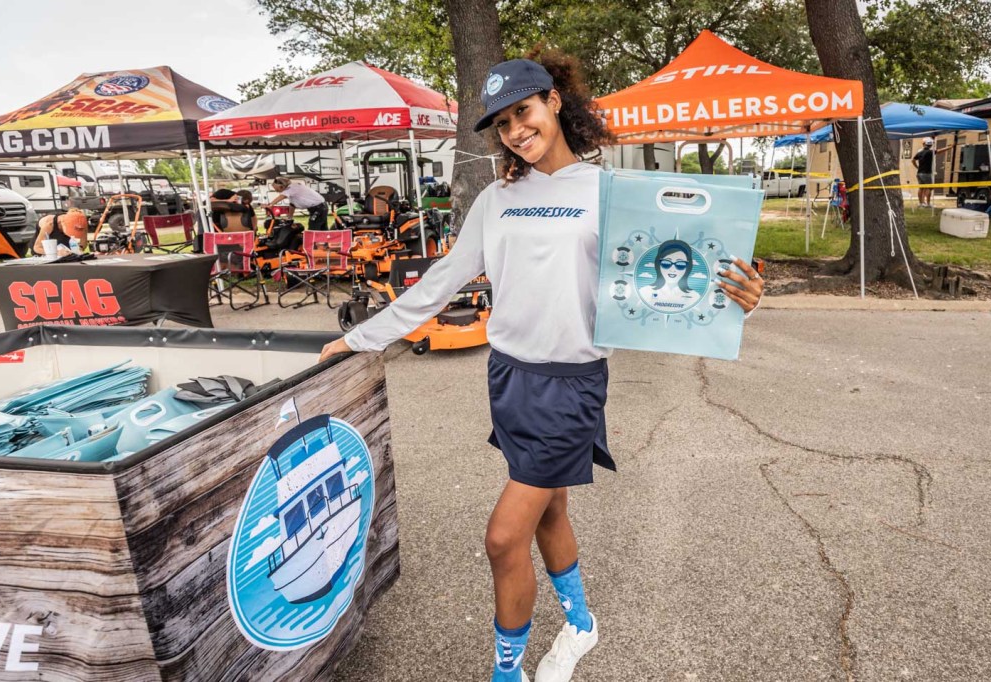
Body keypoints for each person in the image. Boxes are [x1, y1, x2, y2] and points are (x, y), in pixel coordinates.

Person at [318, 51, 765, 682]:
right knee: (549, 509)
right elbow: (443, 280)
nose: (515, 130)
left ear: (554, 101)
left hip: (571, 384)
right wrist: (363, 338)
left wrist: (734, 297)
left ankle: (508, 674)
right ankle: (580, 623)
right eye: (501, 123)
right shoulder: (498, 198)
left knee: (503, 538)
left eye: (522, 111)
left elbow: (672, 268)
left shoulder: (611, 192)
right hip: (509, 379)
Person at [912, 137, 950, 208]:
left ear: (924, 144)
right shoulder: (930, 152)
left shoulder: (920, 152)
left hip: (919, 173)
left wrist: (917, 167)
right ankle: (928, 204)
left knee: (921, 188)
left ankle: (921, 203)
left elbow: (913, 160)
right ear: (930, 145)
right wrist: (948, 148)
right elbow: (940, 151)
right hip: (927, 173)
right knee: (929, 188)